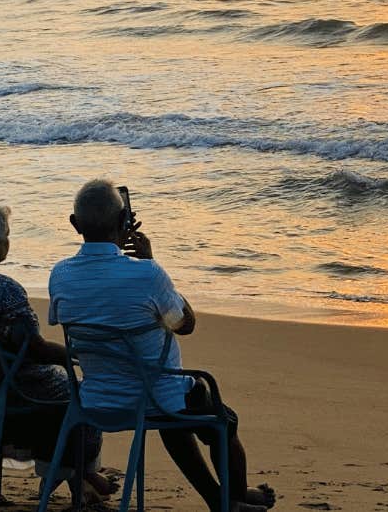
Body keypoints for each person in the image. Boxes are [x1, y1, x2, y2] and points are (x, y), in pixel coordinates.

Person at [48, 179, 276, 512]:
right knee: (220, 418)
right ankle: (235, 497)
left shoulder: (60, 275)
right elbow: (186, 325)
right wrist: (153, 263)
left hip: (97, 398)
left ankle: (222, 500)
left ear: (74, 224)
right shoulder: (148, 274)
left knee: (179, 409)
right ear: (124, 222)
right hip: (155, 395)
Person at [0, 204, 117, 501]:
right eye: (8, 236)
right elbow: (35, 348)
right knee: (73, 390)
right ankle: (82, 474)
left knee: (35, 380)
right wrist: (73, 355)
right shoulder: (4, 289)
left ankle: (78, 477)